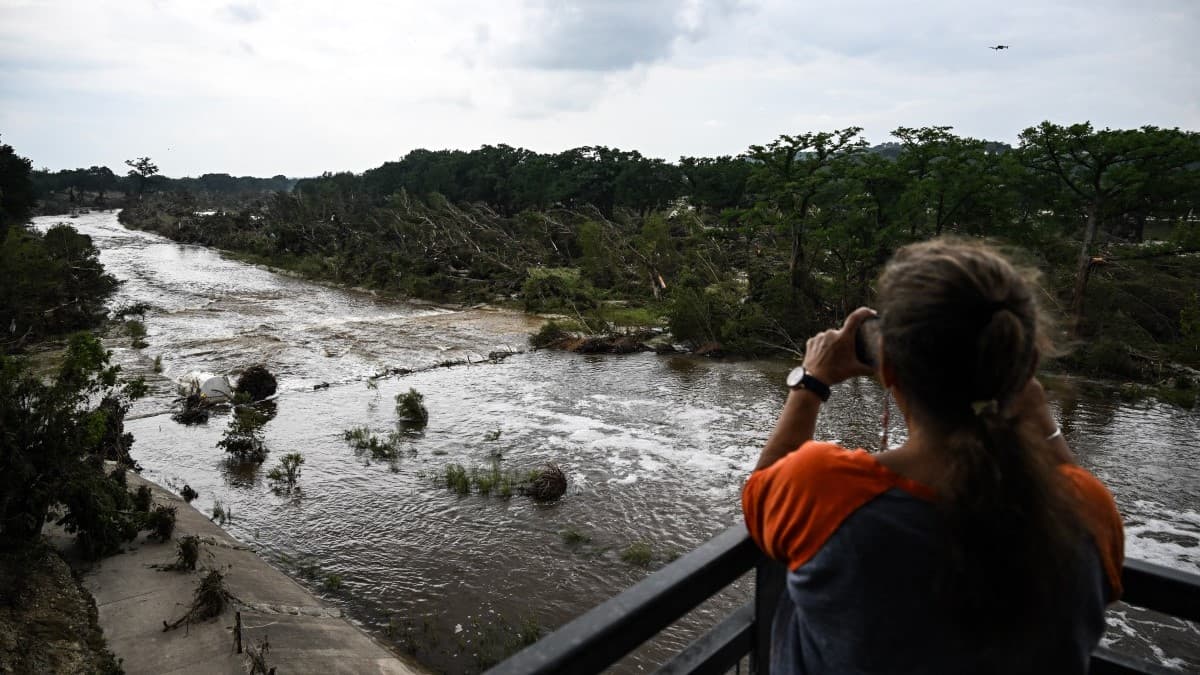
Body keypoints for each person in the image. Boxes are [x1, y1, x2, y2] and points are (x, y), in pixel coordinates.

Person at [742, 239, 1123, 674]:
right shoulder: (1085, 510)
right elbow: (1070, 494)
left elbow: (761, 492)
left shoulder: (830, 491)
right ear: (1028, 364)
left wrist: (811, 382)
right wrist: (1039, 417)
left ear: (887, 369)